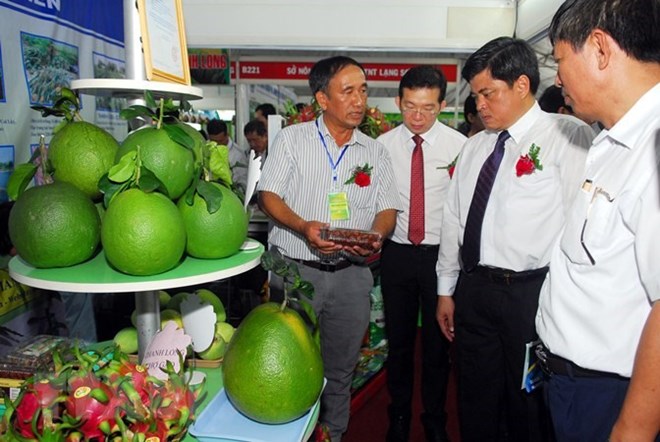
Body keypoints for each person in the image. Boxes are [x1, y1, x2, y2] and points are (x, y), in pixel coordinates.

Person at [435, 36, 594, 441]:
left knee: (528, 401)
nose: (480, 105)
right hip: (475, 291)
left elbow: (583, 223)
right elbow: (453, 220)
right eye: (476, 95)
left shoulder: (566, 137)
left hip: (532, 296)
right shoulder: (474, 149)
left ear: (521, 85)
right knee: (475, 396)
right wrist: (446, 289)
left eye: (488, 93)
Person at [257, 55, 402, 442]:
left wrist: (377, 234)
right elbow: (267, 196)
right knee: (286, 364)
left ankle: (332, 435)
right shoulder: (292, 140)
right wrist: (304, 226)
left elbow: (387, 208)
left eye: (363, 90)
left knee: (340, 370)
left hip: (352, 275)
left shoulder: (374, 152)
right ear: (323, 99)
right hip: (294, 272)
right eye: (348, 91)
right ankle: (288, 434)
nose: (359, 100)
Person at [535, 0, 660, 441]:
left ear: (601, 49)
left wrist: (632, 429)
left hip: (613, 396)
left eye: (559, 60)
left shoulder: (652, 147)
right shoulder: (613, 139)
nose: (557, 77)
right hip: (576, 383)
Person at [377, 65, 465, 442]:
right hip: (396, 255)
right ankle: (398, 416)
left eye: (428, 108)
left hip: (440, 260)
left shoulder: (459, 147)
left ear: (442, 105)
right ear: (398, 102)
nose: (417, 116)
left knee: (436, 346)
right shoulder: (381, 147)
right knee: (398, 343)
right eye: (410, 106)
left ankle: (434, 418)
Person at [207, 119, 248, 191]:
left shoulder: (238, 154)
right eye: (213, 141)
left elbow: (244, 181)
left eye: (220, 141)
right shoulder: (205, 148)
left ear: (227, 135)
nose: (217, 144)